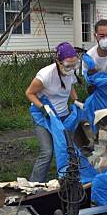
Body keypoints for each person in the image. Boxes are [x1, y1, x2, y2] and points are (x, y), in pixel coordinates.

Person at [26, 42, 82, 183]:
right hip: (44, 116)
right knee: (47, 151)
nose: (71, 68)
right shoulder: (45, 75)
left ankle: (69, 179)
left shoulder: (70, 71)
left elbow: (70, 87)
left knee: (67, 148)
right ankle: (34, 184)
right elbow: (29, 93)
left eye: (74, 65)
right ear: (58, 61)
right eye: (68, 65)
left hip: (63, 116)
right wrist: (42, 108)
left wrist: (76, 100)